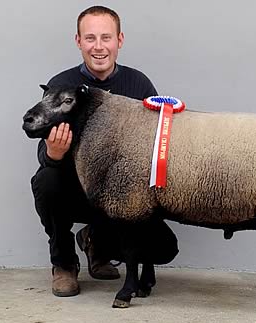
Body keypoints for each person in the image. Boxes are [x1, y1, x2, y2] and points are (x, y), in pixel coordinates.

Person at [31, 5, 163, 297]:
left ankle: (98, 244)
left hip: (122, 189)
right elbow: (43, 154)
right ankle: (64, 264)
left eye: (106, 37)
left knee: (147, 200)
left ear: (120, 40)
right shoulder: (61, 86)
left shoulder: (138, 84)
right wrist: (53, 152)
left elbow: (158, 142)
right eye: (90, 38)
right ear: (78, 41)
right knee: (46, 181)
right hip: (76, 188)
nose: (99, 46)